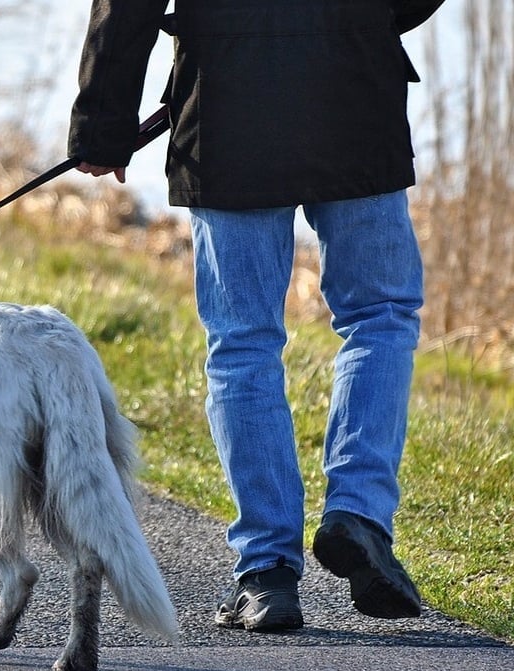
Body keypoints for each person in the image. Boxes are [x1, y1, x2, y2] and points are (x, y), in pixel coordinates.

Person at [68, 0, 444, 631]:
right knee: (379, 315)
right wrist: (364, 20)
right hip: (354, 87)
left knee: (242, 342)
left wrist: (103, 123)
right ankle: (359, 514)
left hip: (227, 104)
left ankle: (266, 573)